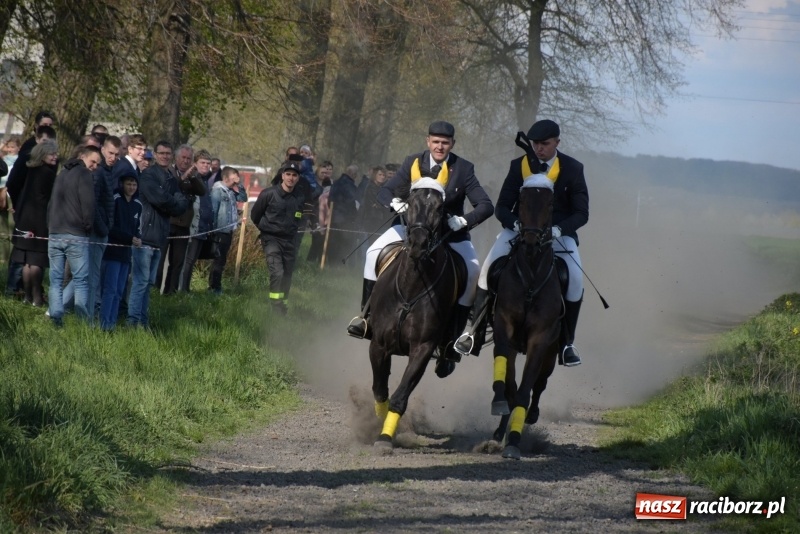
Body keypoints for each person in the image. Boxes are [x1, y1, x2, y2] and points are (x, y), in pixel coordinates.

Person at [347, 120, 494, 368]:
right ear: (428, 142)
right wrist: (395, 202)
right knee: (373, 253)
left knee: (473, 273)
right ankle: (366, 319)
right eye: (435, 142)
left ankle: (453, 340)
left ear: (452, 144)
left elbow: (486, 205)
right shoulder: (412, 162)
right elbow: (384, 191)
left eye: (445, 143)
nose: (440, 146)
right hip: (410, 230)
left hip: (449, 234)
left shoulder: (464, 169)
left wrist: (464, 220)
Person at [455, 119, 589, 366]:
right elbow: (502, 206)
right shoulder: (519, 166)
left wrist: (560, 229)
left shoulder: (572, 168)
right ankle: (472, 330)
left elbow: (582, 213)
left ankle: (568, 343)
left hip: (559, 234)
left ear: (557, 143)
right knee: (486, 269)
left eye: (545, 144)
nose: (539, 149)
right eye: (536, 144)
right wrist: (515, 224)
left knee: (576, 279)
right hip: (520, 231)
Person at [127, 141, 188, 328]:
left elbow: (182, 204)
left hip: (160, 236)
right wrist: (170, 200)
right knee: (140, 282)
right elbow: (158, 199)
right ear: (155, 154)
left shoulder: (170, 178)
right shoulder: (147, 175)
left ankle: (143, 323)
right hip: (144, 234)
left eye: (168, 153)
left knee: (149, 284)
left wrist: (168, 200)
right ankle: (132, 322)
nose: (165, 156)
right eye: (161, 153)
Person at [47, 145, 101, 327]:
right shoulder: (84, 174)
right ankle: (83, 323)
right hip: (76, 235)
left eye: (97, 164)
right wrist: (87, 226)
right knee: (81, 281)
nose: (94, 166)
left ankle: (56, 320)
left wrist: (51, 227)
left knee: (55, 279)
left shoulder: (61, 174)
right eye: (93, 161)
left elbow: (51, 204)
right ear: (82, 157)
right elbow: (89, 205)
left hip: (55, 233)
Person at [9, 140, 58, 306]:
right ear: (43, 155)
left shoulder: (31, 170)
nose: (55, 157)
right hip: (38, 221)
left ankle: (27, 297)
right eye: (52, 154)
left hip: (24, 219)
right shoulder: (48, 173)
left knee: (27, 262)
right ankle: (36, 298)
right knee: (36, 261)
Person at [250, 160, 303, 315]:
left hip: (290, 240)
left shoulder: (299, 197)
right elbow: (255, 215)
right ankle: (275, 307)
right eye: (288, 174)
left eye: (294, 175)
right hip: (271, 239)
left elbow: (299, 217)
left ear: (298, 178)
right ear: (282, 175)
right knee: (277, 272)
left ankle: (283, 305)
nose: (291, 178)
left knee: (287, 274)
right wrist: (267, 230)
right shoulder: (268, 194)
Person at [100, 174, 142, 331]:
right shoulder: (115, 199)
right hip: (112, 252)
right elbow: (111, 227)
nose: (131, 187)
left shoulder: (138, 205)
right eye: (128, 184)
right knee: (109, 290)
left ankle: (112, 323)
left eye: (134, 184)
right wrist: (129, 238)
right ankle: (104, 324)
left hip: (126, 254)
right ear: (122, 184)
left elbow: (137, 228)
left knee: (119, 291)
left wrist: (137, 238)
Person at [178, 149, 214, 292]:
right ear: (195, 163)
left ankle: (186, 288)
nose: (206, 166)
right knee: (188, 260)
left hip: (204, 227)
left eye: (208, 163)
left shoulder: (207, 180)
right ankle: (183, 290)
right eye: (202, 163)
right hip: (192, 225)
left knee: (192, 261)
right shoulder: (192, 179)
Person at [208, 166, 247, 294]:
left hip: (228, 230)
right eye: (233, 177)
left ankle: (215, 285)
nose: (235, 179)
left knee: (222, 259)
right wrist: (212, 230)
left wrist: (239, 184)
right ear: (225, 178)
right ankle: (214, 287)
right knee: (218, 259)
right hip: (220, 230)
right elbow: (213, 210)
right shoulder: (218, 191)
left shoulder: (230, 191)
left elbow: (243, 198)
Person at [327, 164, 360, 266]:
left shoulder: (336, 183)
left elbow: (330, 201)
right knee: (344, 243)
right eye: (355, 174)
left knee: (334, 242)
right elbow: (352, 202)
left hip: (334, 217)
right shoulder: (350, 186)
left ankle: (332, 265)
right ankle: (340, 266)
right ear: (353, 174)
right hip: (345, 219)